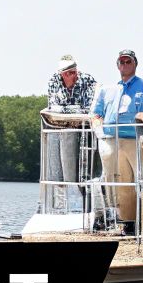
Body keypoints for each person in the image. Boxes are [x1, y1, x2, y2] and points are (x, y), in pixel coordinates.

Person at [91, 49, 143, 236]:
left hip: (137, 139)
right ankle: (128, 222)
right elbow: (96, 113)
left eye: (128, 61)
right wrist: (99, 131)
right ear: (117, 65)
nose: (124, 65)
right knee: (120, 182)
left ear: (135, 64)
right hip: (112, 139)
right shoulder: (107, 90)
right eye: (121, 62)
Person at [42, 55, 99, 213]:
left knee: (83, 173)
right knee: (55, 171)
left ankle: (84, 208)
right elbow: (54, 107)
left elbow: (88, 108)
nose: (72, 76)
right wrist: (71, 111)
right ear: (61, 74)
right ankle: (57, 207)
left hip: (84, 132)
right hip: (57, 130)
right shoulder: (54, 80)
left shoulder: (87, 80)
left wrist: (68, 111)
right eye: (68, 73)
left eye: (74, 72)